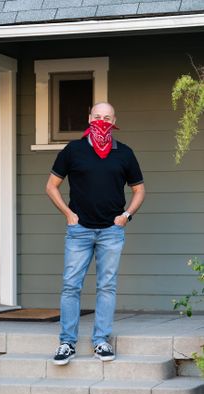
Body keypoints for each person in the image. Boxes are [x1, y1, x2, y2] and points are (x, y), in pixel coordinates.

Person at [46, 102, 145, 365]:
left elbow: (139, 190)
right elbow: (51, 186)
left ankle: (101, 341)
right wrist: (68, 214)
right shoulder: (73, 150)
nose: (102, 121)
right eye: (97, 116)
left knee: (107, 287)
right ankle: (67, 343)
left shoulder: (124, 153)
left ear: (114, 121)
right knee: (71, 286)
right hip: (79, 231)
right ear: (89, 118)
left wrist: (126, 216)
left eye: (107, 117)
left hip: (111, 232)